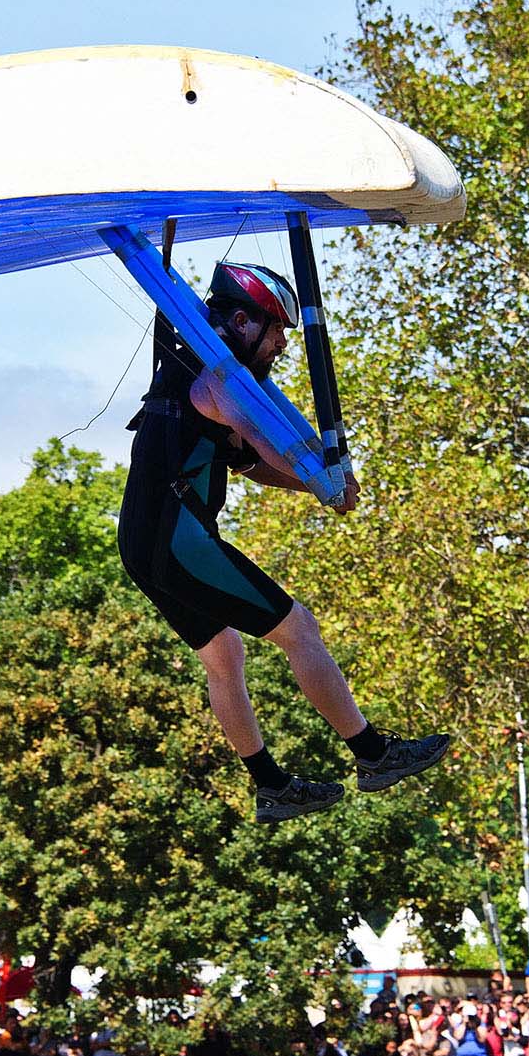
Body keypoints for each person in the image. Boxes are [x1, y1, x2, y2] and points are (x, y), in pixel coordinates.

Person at [116, 260, 449, 822]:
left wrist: (313, 486)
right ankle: (373, 754)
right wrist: (326, 485)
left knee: (224, 655)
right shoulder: (222, 381)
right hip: (179, 544)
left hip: (143, 546)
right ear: (243, 322)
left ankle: (271, 787)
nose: (280, 347)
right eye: (276, 333)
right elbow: (271, 447)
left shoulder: (191, 372)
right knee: (299, 628)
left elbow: (251, 465)